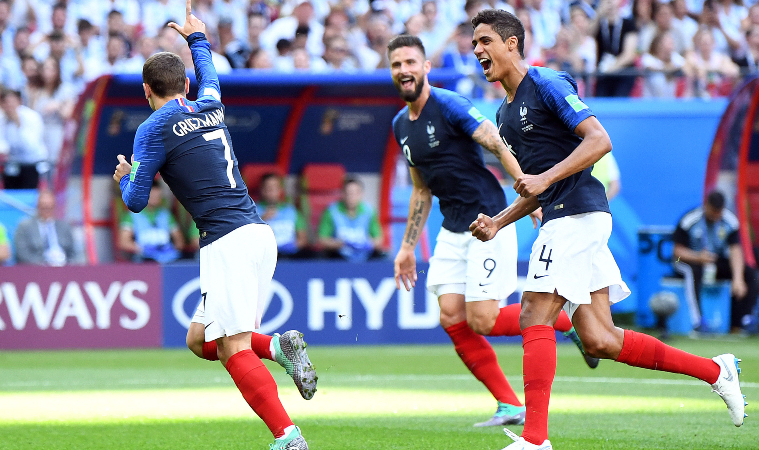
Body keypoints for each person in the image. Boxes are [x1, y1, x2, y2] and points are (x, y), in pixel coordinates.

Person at [468, 10, 745, 449]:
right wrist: (499, 222)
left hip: (578, 214)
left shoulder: (546, 84)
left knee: (533, 313)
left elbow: (599, 140)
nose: (478, 50)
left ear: (512, 43)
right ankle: (716, 371)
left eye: (485, 41)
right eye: (474, 44)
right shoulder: (504, 115)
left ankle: (535, 441)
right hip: (564, 215)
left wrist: (542, 181)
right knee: (599, 339)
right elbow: (539, 184)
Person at [112, 3, 315, 449]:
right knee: (200, 339)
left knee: (232, 349)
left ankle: (288, 437)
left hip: (227, 242)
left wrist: (127, 175)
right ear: (185, 84)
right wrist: (198, 38)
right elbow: (209, 73)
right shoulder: (211, 103)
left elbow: (137, 202)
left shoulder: (151, 128)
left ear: (146, 90)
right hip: (259, 236)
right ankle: (278, 348)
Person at [387, 34, 596, 429]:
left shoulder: (449, 105)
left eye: (411, 62)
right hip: (451, 229)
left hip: (487, 222)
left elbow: (499, 144)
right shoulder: (401, 125)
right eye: (397, 65)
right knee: (451, 317)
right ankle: (509, 405)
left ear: (426, 67)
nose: (404, 71)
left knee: (481, 320)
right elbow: (420, 189)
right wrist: (407, 247)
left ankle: (566, 321)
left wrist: (530, 190)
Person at [673, 190, 759, 333]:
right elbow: (677, 252)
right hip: (689, 260)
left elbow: (735, 251)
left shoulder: (730, 221)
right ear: (706, 205)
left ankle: (745, 320)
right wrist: (697, 257)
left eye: (719, 212)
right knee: (692, 271)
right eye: (713, 212)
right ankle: (698, 321)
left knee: (749, 273)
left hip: (714, 261)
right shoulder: (690, 220)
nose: (716, 216)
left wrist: (738, 278)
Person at [0, 89, 48, 189]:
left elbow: (32, 146)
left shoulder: (32, 117)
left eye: (12, 102)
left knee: (28, 194)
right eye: (6, 102)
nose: (9, 106)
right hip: (10, 164)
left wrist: (18, 125)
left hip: (31, 163)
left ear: (20, 101)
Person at [317, 177, 386, 262]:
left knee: (384, 257)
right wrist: (341, 244)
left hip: (365, 256)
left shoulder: (369, 211)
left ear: (361, 194)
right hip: (338, 256)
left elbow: (379, 239)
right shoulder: (331, 211)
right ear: (342, 194)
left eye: (355, 193)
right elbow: (322, 239)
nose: (351, 197)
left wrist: (367, 244)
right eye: (348, 193)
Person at [118, 179, 185, 264]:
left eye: (158, 195)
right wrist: (142, 249)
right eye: (152, 196)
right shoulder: (131, 215)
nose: (156, 198)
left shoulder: (166, 215)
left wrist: (170, 250)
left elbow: (179, 241)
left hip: (168, 259)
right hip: (143, 259)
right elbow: (124, 242)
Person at [14, 189, 76, 266]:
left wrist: (67, 264)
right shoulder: (25, 226)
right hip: (36, 270)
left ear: (54, 206)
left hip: (63, 268)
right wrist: (44, 265)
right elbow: (22, 254)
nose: (47, 210)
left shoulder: (64, 226)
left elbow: (73, 253)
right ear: (38, 206)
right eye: (44, 207)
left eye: (50, 207)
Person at [256, 172, 309, 259]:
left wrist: (292, 246)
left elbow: (303, 239)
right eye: (268, 188)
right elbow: (246, 238)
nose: (271, 191)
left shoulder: (291, 211)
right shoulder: (252, 211)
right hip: (264, 257)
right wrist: (262, 219)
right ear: (262, 190)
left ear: (280, 190)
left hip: (290, 255)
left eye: (274, 188)